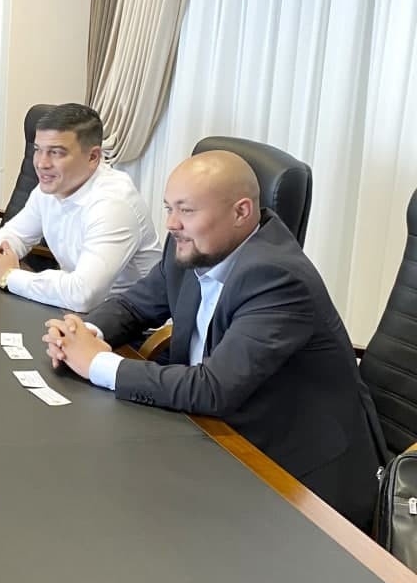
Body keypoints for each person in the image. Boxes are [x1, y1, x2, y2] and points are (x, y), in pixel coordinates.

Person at [42, 150, 385, 530]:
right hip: (213, 431)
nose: (172, 224)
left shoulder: (278, 277)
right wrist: (84, 334)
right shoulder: (191, 243)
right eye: (169, 208)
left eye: (186, 211)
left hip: (295, 477)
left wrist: (95, 363)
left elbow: (214, 387)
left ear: (241, 212)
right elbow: (134, 305)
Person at [0, 104, 159, 312]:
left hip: (130, 321)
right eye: (38, 150)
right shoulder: (52, 187)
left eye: (56, 153)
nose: (42, 164)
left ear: (93, 157)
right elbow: (15, 234)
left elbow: (83, 295)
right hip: (73, 308)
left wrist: (9, 276)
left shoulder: (113, 205)